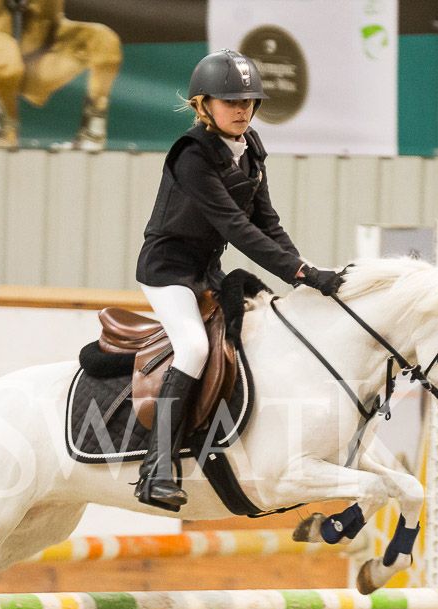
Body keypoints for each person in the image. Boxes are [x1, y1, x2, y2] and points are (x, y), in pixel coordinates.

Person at [132, 48, 345, 510]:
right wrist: (301, 272)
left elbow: (267, 222)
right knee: (194, 347)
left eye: (248, 101)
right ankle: (155, 470)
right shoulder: (191, 155)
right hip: (167, 272)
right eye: (231, 101)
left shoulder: (250, 149)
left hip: (206, 272)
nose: (242, 109)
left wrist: (306, 272)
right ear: (203, 104)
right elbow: (236, 228)